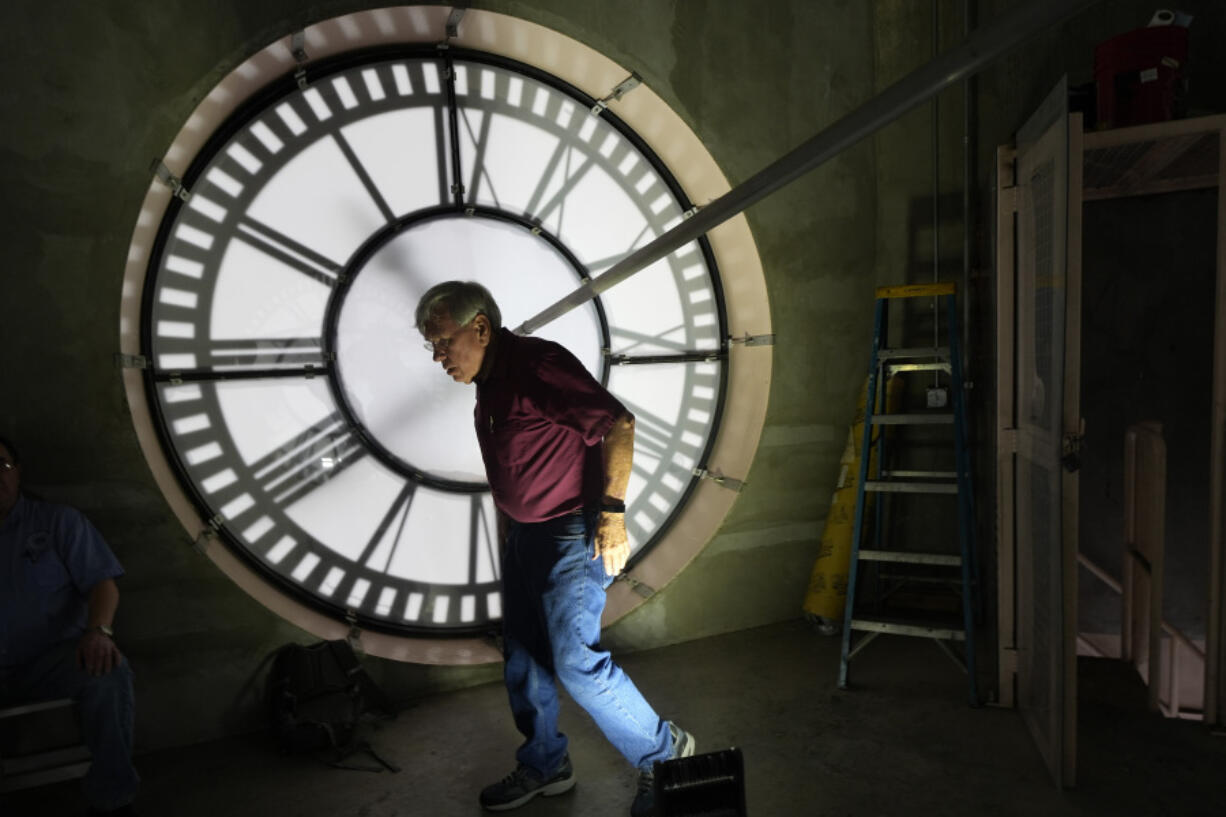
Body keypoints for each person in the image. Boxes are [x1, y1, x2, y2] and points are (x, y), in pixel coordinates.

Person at [416, 282, 694, 816]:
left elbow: (617, 424)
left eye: (443, 341)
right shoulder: (489, 383)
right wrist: (510, 532)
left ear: (480, 328)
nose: (438, 356)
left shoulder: (538, 365)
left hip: (572, 533)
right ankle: (546, 766)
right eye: (431, 346)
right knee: (523, 658)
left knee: (576, 663)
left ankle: (666, 758)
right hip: (526, 537)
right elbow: (513, 462)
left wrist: (612, 517)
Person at [0, 435, 139, 816]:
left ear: (18, 470)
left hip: (50, 659)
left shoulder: (59, 522)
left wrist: (98, 632)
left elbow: (102, 584)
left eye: (2, 464)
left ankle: (114, 797)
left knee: (108, 672)